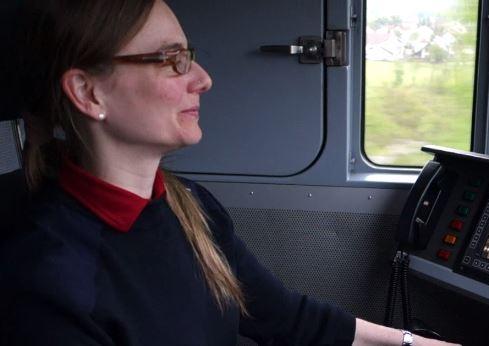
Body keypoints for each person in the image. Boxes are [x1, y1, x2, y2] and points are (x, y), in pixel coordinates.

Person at [0, 1, 459, 345]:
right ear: (88, 92)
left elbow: (282, 315)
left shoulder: (190, 206)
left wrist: (410, 342)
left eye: (190, 54)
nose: (202, 79)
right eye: (170, 59)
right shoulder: (49, 281)